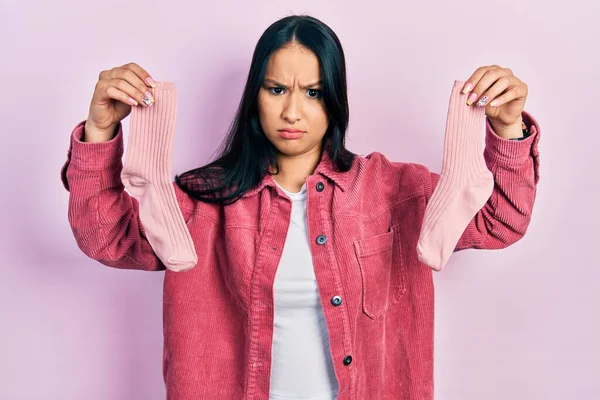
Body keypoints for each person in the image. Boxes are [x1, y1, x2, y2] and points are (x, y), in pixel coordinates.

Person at [60, 14, 540, 400]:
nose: (293, 111)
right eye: (276, 90)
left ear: (335, 101)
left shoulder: (393, 191)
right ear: (255, 98)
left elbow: (501, 220)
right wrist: (100, 131)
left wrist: (507, 128)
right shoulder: (198, 202)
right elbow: (107, 236)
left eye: (312, 92)